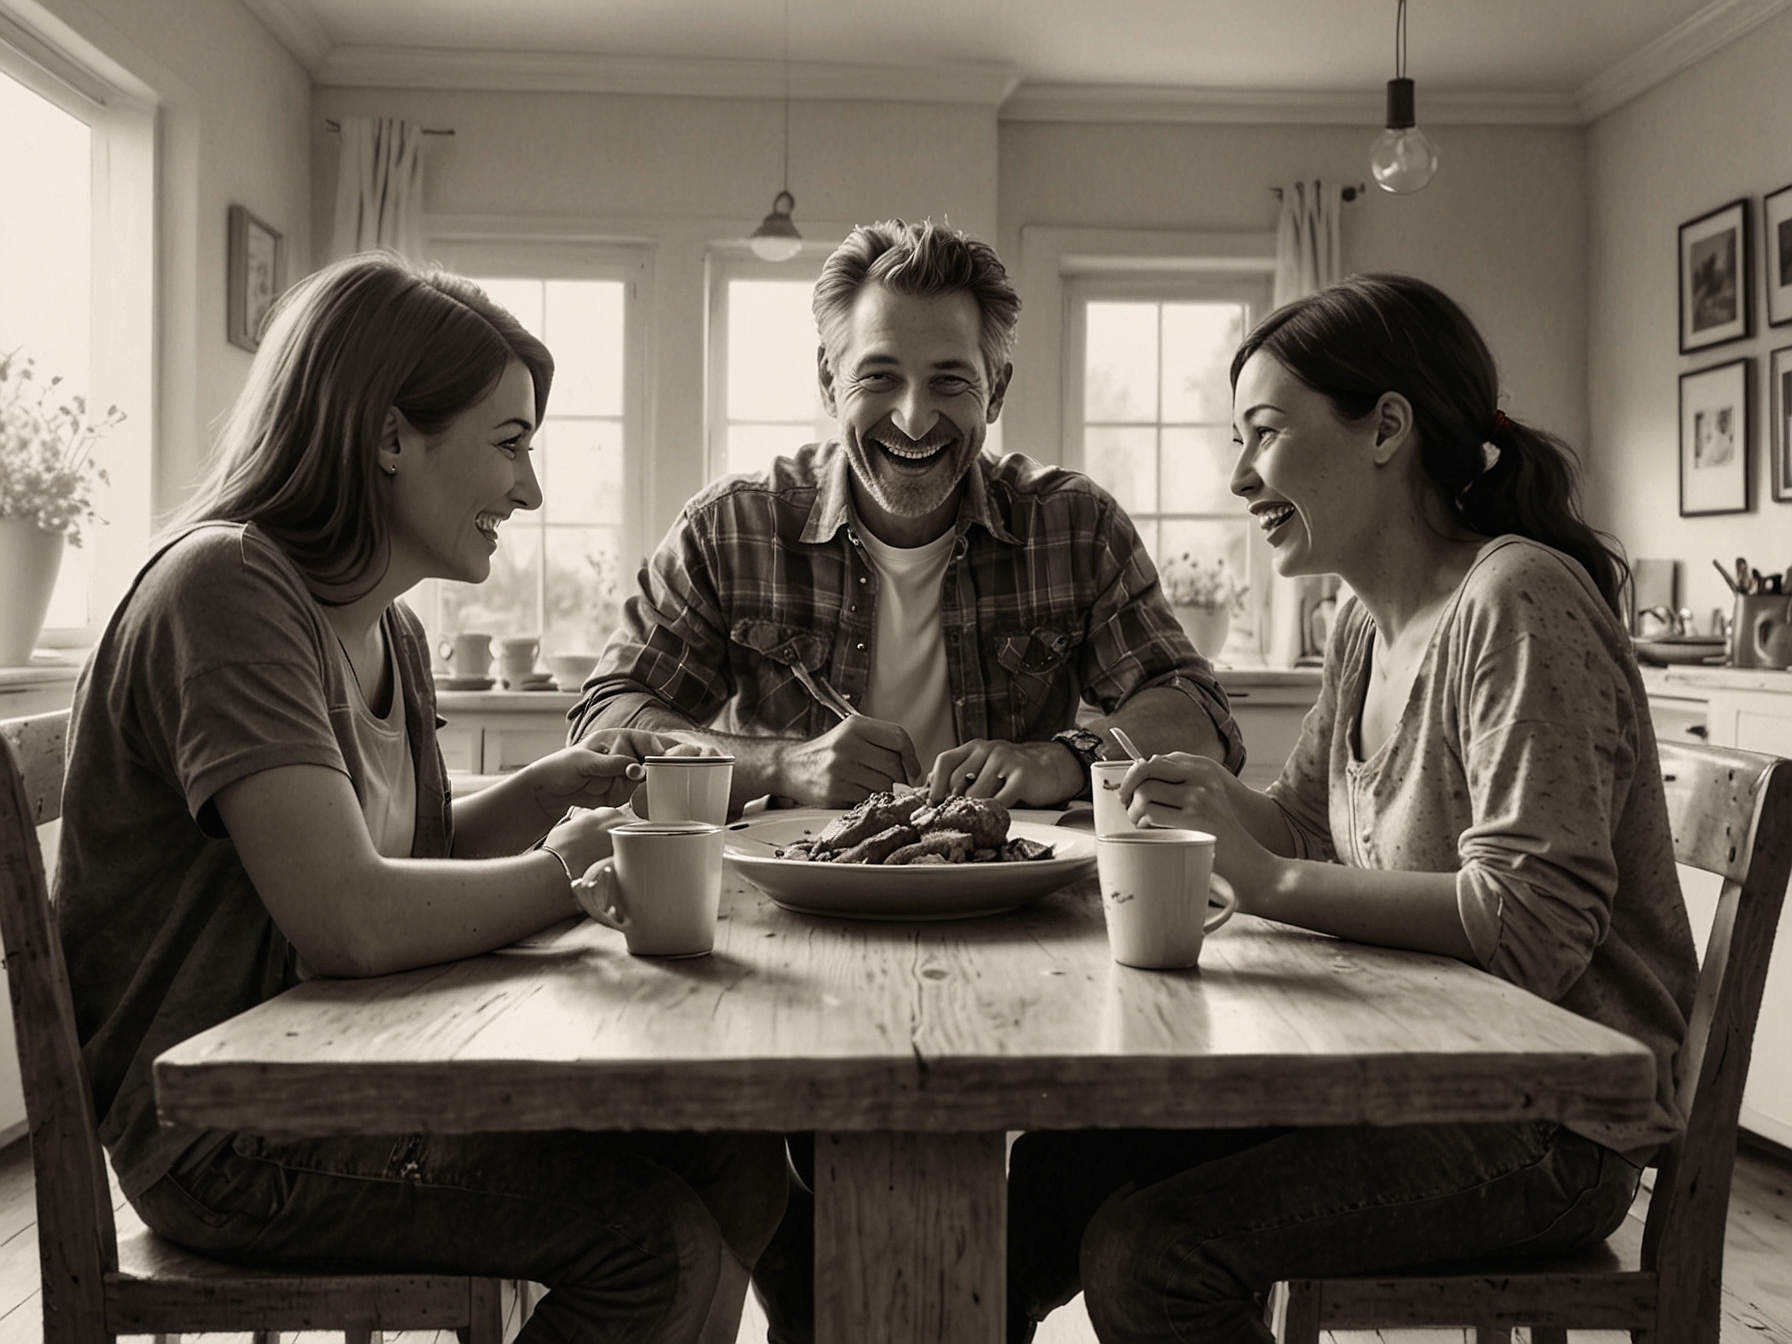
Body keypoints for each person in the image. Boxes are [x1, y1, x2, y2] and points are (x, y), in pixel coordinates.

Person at [55, 254, 787, 1344]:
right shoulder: (224, 590)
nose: (531, 491)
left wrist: (550, 790)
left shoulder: (383, 624)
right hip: (227, 1133)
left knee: (738, 1162)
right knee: (654, 1247)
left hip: (348, 1080)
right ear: (389, 436)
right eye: (509, 444)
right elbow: (349, 918)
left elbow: (413, 850)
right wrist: (564, 875)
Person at [1006, 274, 1700, 1344]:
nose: (1239, 476)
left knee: (1152, 1255)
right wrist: (1196, 795)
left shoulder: (1516, 604)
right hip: (1425, 1075)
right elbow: (1301, 821)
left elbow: (1535, 928)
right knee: (1058, 1170)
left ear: (1385, 428)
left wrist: (1268, 877)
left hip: (1554, 1126)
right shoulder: (1365, 626)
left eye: (1265, 434)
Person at [570, 218, 1245, 814]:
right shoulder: (727, 530)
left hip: (1014, 899)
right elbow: (604, 727)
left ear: (997, 388)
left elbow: (1198, 710)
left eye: (950, 381)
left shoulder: (1076, 525)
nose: (914, 419)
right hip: (787, 897)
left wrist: (1061, 759)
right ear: (831, 382)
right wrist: (779, 766)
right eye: (879, 377)